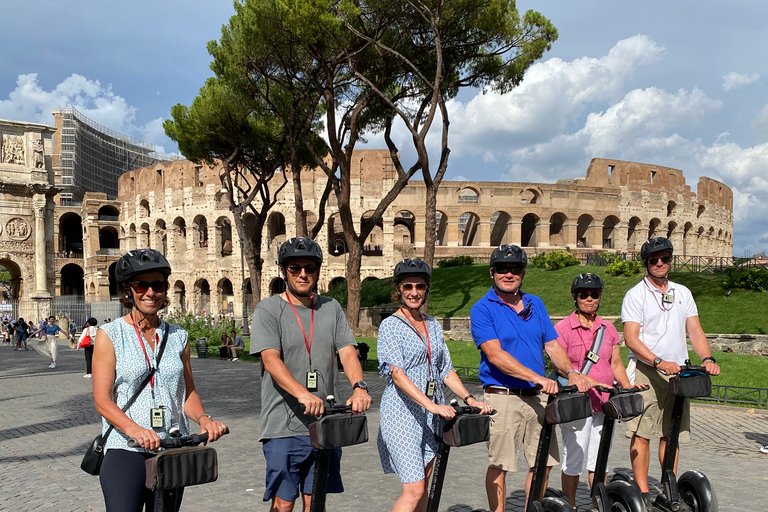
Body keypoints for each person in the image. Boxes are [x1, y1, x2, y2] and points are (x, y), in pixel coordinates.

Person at [92, 248, 228, 512]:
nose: (150, 292)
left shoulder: (179, 336)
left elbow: (187, 393)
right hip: (126, 446)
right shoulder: (110, 335)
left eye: (158, 285)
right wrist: (135, 430)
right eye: (141, 285)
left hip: (170, 447)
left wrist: (204, 420)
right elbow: (102, 400)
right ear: (127, 289)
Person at [470, 244, 602, 512]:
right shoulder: (482, 308)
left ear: (523, 272)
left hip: (538, 398)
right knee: (500, 464)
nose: (509, 274)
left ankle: (533, 508)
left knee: (543, 462)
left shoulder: (536, 303)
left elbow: (552, 346)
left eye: (515, 269)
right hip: (503, 397)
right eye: (503, 269)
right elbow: (494, 355)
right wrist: (538, 378)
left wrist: (572, 373)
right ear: (492, 273)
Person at [250, 237, 372, 512]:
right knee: (284, 503)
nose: (303, 274)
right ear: (284, 271)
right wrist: (303, 393)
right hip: (283, 425)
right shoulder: (268, 309)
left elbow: (347, 351)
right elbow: (270, 359)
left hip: (326, 422)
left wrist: (359, 387)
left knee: (315, 501)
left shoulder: (331, 308)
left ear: (317, 272)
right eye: (295, 268)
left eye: (309, 268)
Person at [378, 259, 493, 512]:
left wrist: (470, 399)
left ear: (426, 289)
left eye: (420, 286)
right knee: (414, 489)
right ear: (398, 289)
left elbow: (446, 369)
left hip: (430, 415)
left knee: (425, 485)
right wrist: (432, 405)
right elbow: (396, 374)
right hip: (402, 415)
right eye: (407, 286)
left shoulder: (431, 324)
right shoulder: (390, 326)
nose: (414, 292)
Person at [621, 237, 721, 510]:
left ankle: (668, 487)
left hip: (679, 373)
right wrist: (658, 361)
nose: (660, 263)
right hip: (647, 370)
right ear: (646, 263)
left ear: (671, 260)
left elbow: (695, 331)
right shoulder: (635, 295)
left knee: (671, 433)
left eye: (665, 258)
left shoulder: (682, 292)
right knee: (642, 431)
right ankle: (641, 493)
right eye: (654, 260)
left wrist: (708, 358)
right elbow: (631, 338)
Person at [554, 274, 640, 507]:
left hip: (604, 403)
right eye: (584, 294)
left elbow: (616, 364)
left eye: (594, 294)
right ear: (575, 297)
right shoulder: (563, 328)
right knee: (574, 458)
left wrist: (628, 387)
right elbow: (559, 366)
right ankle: (570, 505)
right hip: (577, 403)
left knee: (599, 460)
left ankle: (596, 505)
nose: (589, 299)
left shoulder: (608, 328)